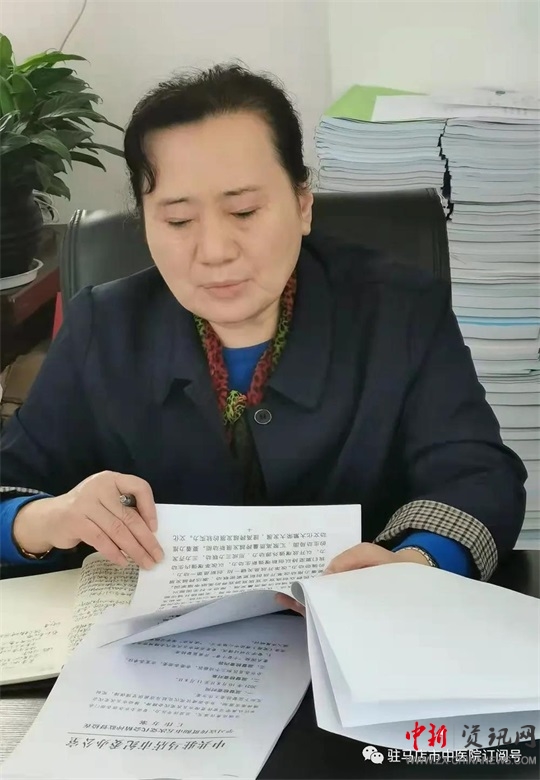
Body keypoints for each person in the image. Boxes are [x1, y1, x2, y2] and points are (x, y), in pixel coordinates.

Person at [0, 64, 526, 609]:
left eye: (244, 211)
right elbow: (10, 485)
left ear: (302, 204)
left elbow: (478, 477)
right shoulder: (103, 327)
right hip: (160, 648)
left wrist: (416, 562)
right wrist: (45, 519)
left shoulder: (400, 310)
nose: (214, 251)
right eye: (178, 220)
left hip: (364, 627)